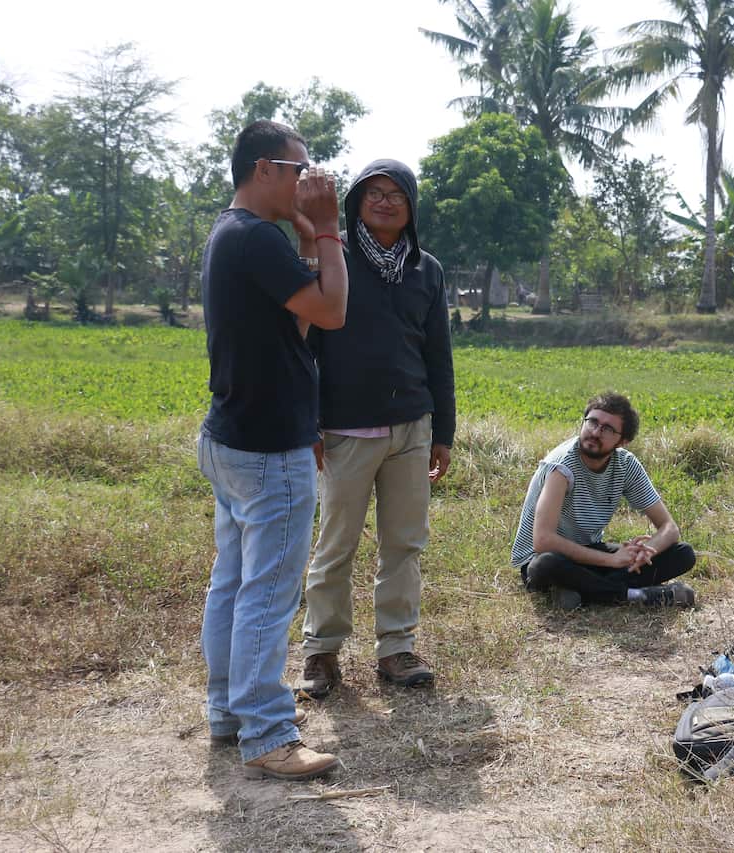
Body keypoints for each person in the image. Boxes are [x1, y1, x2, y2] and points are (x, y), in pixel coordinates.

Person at [197, 120, 348, 781]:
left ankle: (229, 714)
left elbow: (298, 316)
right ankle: (266, 731)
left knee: (232, 584)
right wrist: (329, 227)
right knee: (266, 593)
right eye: (299, 168)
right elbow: (334, 310)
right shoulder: (255, 237)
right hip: (267, 449)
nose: (307, 180)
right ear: (264, 169)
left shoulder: (233, 235)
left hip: (231, 436)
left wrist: (308, 234)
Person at [299, 159, 455, 696]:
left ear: (411, 207)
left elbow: (439, 356)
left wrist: (444, 433)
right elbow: (308, 348)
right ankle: (321, 651)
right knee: (334, 544)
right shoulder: (333, 257)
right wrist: (310, 424)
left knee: (404, 543)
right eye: (374, 193)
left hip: (411, 428)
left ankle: (396, 648)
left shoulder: (425, 270)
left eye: (397, 194)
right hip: (344, 430)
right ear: (357, 202)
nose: (386, 202)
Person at [511, 392, 697, 610]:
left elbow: (669, 528)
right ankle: (633, 595)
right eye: (592, 422)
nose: (595, 432)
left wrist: (645, 551)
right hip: (547, 558)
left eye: (608, 429)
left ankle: (581, 592)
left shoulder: (626, 465)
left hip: (590, 553)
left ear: (623, 441)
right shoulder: (561, 467)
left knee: (683, 553)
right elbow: (543, 541)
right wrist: (612, 561)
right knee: (547, 565)